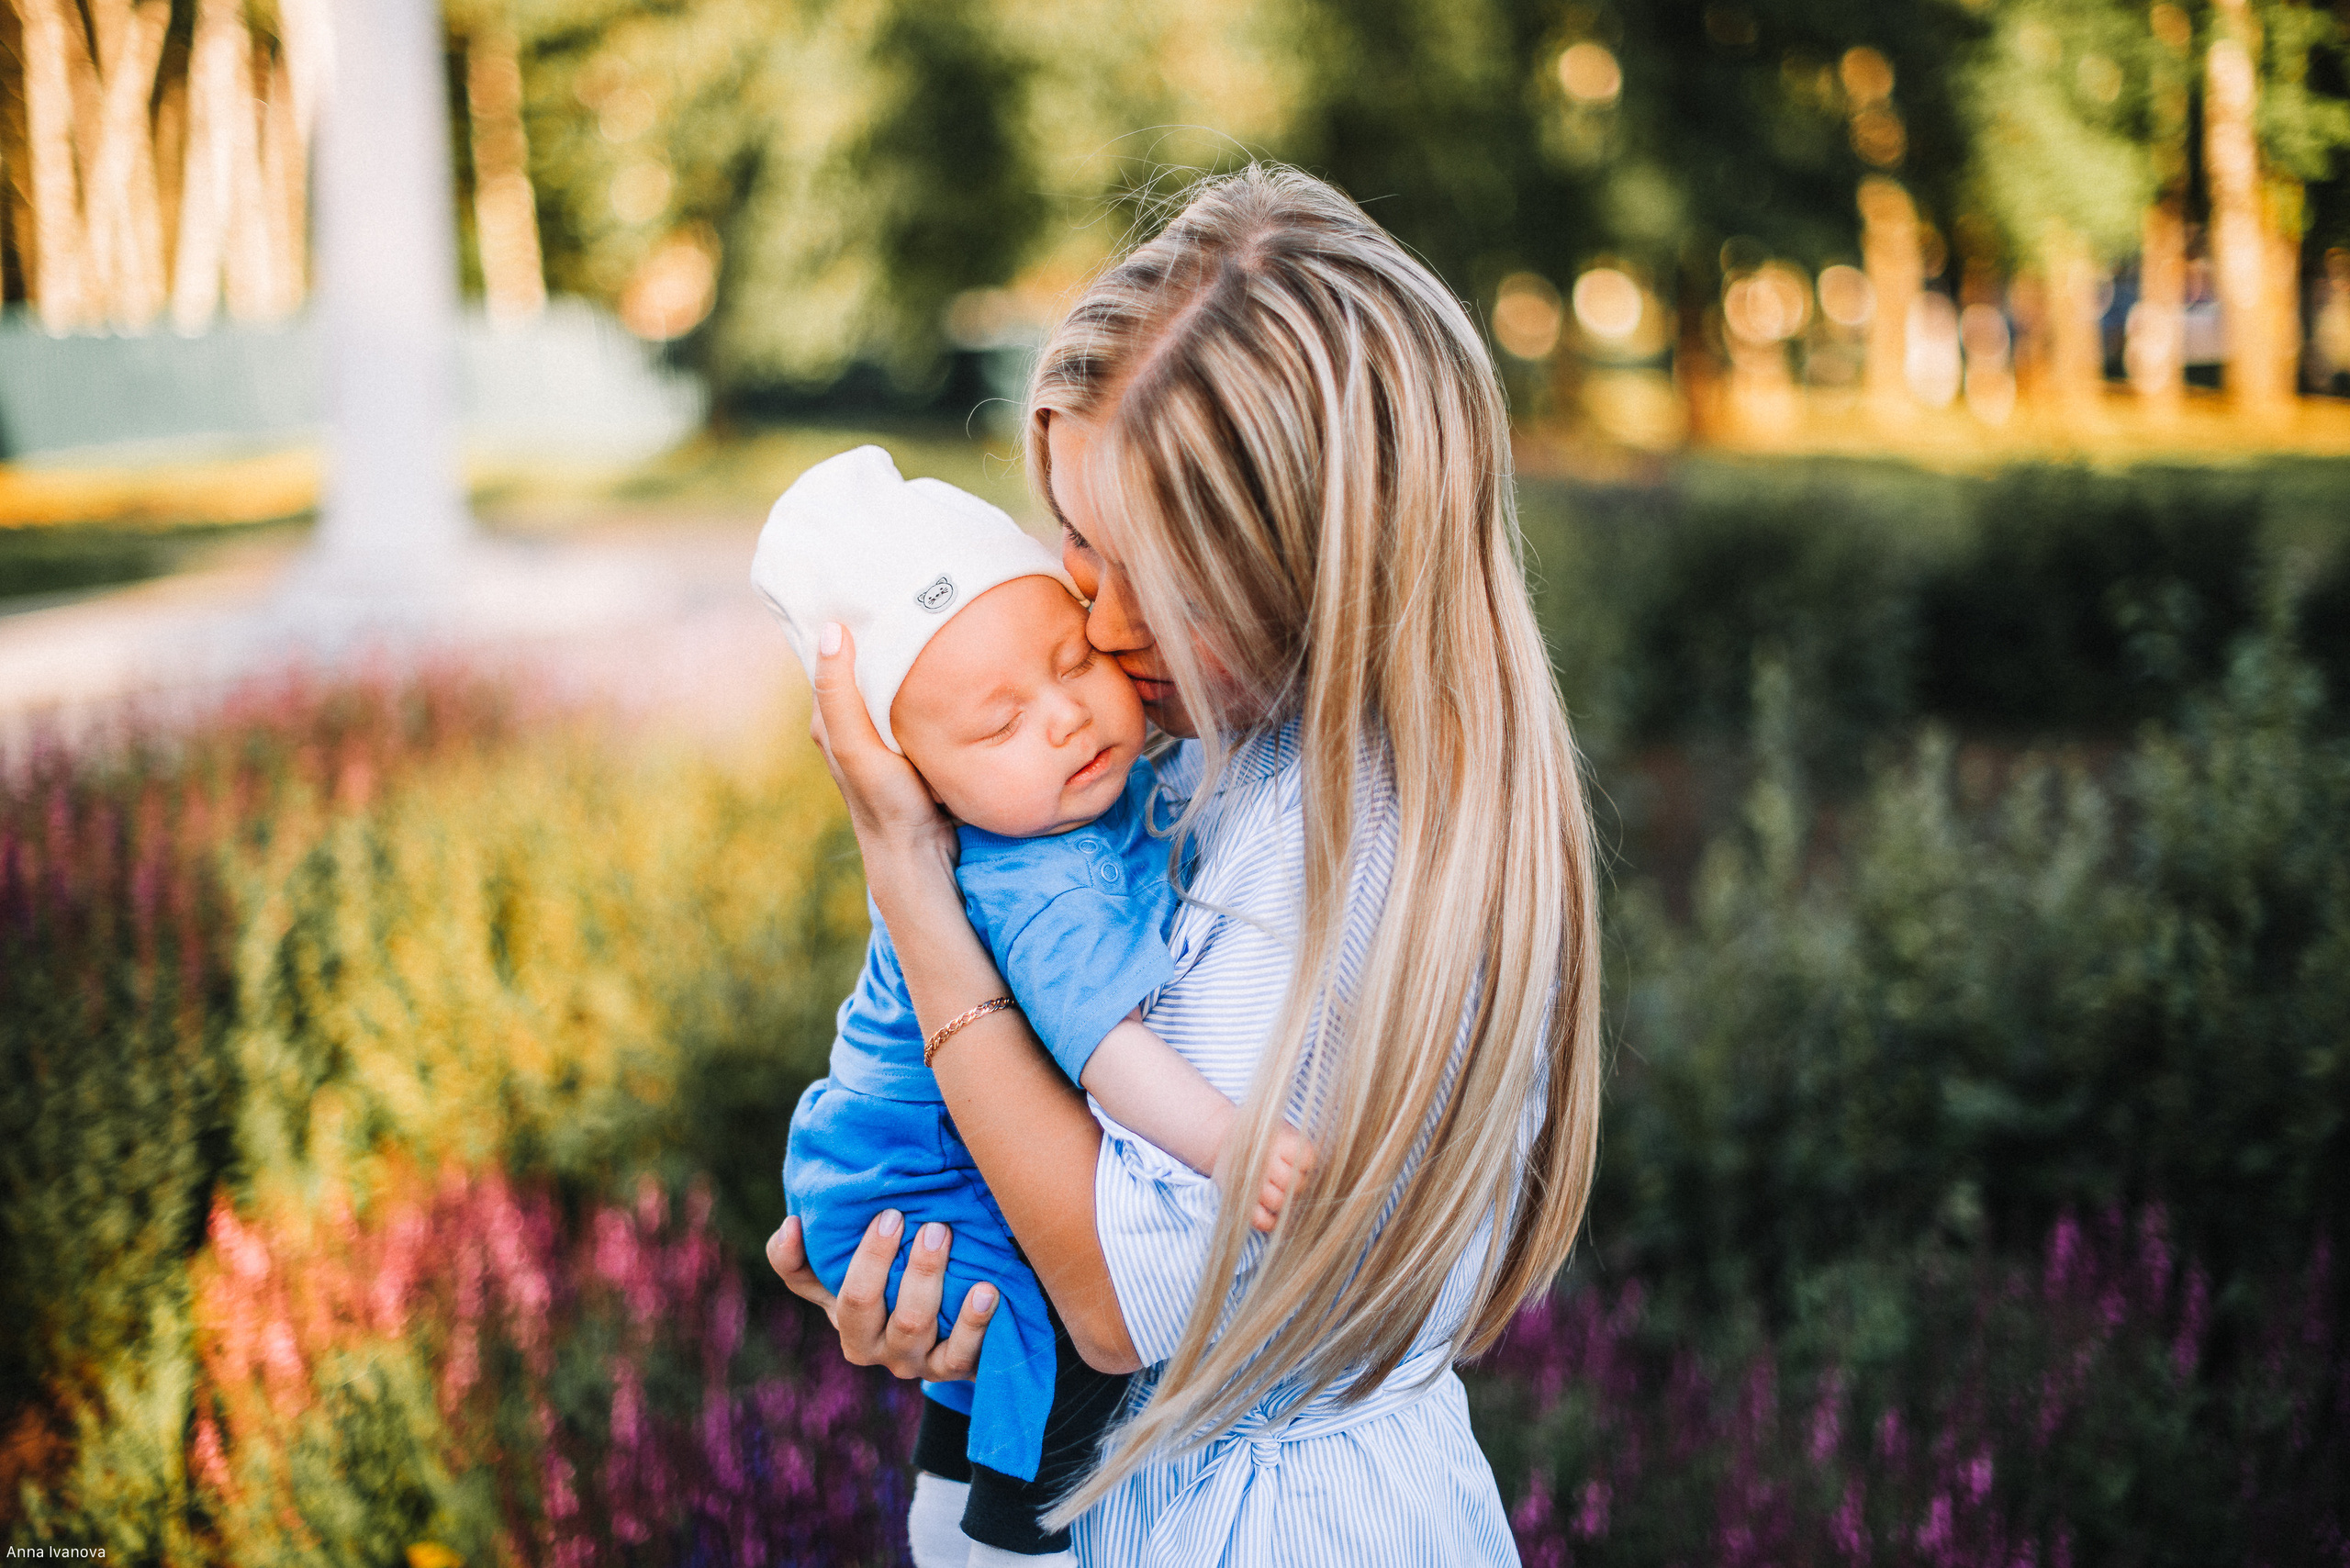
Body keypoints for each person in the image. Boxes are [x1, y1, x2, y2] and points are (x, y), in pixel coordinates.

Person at [766, 163, 1603, 1565]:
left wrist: (908, 867)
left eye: (1134, 562)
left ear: (1298, 560)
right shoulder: (1222, 757)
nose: (1086, 617)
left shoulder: (1328, 849)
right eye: (1073, 542)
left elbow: (1112, 1295)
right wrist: (931, 1242)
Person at [752, 444, 1315, 1564]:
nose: (1064, 718)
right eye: (1000, 725)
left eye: (1070, 661)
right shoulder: (1032, 876)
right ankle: (1012, 1536)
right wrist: (1230, 1142)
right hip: (904, 1175)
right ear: (916, 779)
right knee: (1045, 1331)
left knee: (990, 1320)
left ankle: (948, 1492)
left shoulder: (1057, 806)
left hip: (888, 1156)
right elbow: (1103, 1050)